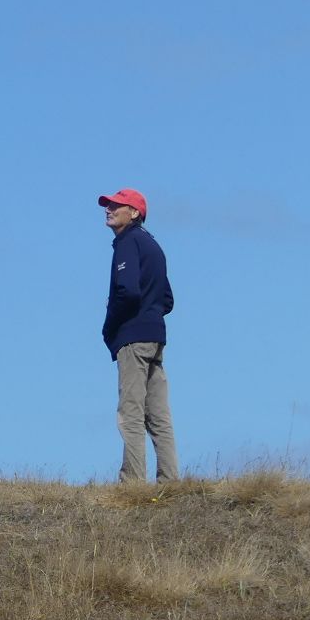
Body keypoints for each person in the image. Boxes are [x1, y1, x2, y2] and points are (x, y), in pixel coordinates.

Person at [98, 188, 177, 483]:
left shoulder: (128, 242)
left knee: (130, 412)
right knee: (158, 415)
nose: (109, 209)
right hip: (155, 336)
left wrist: (110, 325)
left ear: (134, 213)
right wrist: (150, 313)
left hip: (133, 337)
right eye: (109, 205)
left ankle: (132, 482)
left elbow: (128, 291)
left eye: (116, 205)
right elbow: (167, 299)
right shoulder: (152, 245)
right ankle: (169, 481)